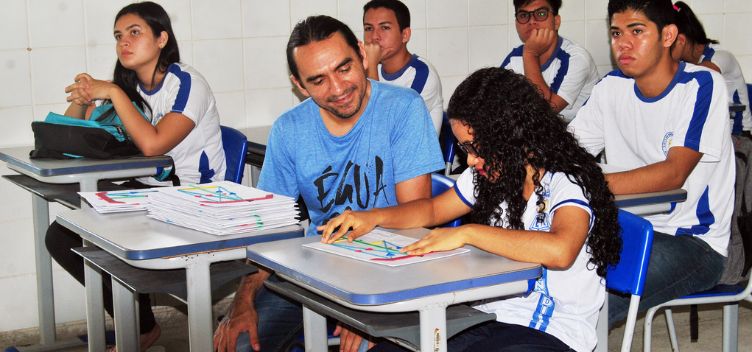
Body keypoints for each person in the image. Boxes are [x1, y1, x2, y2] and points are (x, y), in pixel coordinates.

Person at [319, 67, 621, 352]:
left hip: (550, 331)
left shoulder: (567, 180)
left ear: (509, 134)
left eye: (476, 147)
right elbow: (432, 211)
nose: (471, 161)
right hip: (486, 316)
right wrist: (371, 217)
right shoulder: (490, 173)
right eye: (465, 149)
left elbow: (561, 250)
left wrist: (469, 233)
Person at [213, 15, 444, 352]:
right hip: (313, 270)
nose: (337, 89)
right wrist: (242, 300)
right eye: (317, 80)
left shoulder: (403, 109)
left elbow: (416, 219)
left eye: (344, 68)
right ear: (299, 85)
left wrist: (371, 308)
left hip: (390, 270)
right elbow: (269, 229)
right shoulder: (290, 129)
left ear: (363, 56)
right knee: (239, 343)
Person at [44, 2, 226, 350]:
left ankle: (142, 330)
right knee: (63, 236)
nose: (123, 43)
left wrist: (111, 91)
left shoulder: (187, 84)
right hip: (151, 193)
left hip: (196, 200)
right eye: (118, 36)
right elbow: (71, 136)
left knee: (104, 235)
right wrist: (85, 98)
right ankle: (143, 328)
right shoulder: (131, 87)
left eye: (134, 33)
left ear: (161, 39)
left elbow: (152, 144)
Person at [568, 0, 734, 329]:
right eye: (616, 32)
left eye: (637, 31)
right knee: (552, 282)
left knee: (589, 303)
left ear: (669, 35)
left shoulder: (702, 86)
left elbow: (673, 174)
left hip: (692, 243)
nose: (623, 43)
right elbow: (567, 154)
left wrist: (588, 183)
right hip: (624, 229)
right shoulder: (611, 88)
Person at [501, 0, 599, 122]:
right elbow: (496, 103)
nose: (531, 21)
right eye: (523, 15)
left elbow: (544, 112)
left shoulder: (576, 58)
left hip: (579, 136)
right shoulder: (514, 58)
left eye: (541, 14)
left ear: (556, 22)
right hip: (540, 134)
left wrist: (531, 54)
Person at [671, 1, 752, 135]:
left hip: (738, 137)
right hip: (711, 136)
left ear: (681, 40)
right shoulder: (683, 64)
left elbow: (696, 80)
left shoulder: (720, 56)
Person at [363, 0, 444, 133]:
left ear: (405, 35)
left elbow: (383, 128)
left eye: (385, 27)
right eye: (369, 28)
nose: (374, 37)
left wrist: (371, 66)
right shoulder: (369, 69)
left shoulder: (422, 74)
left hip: (411, 152)